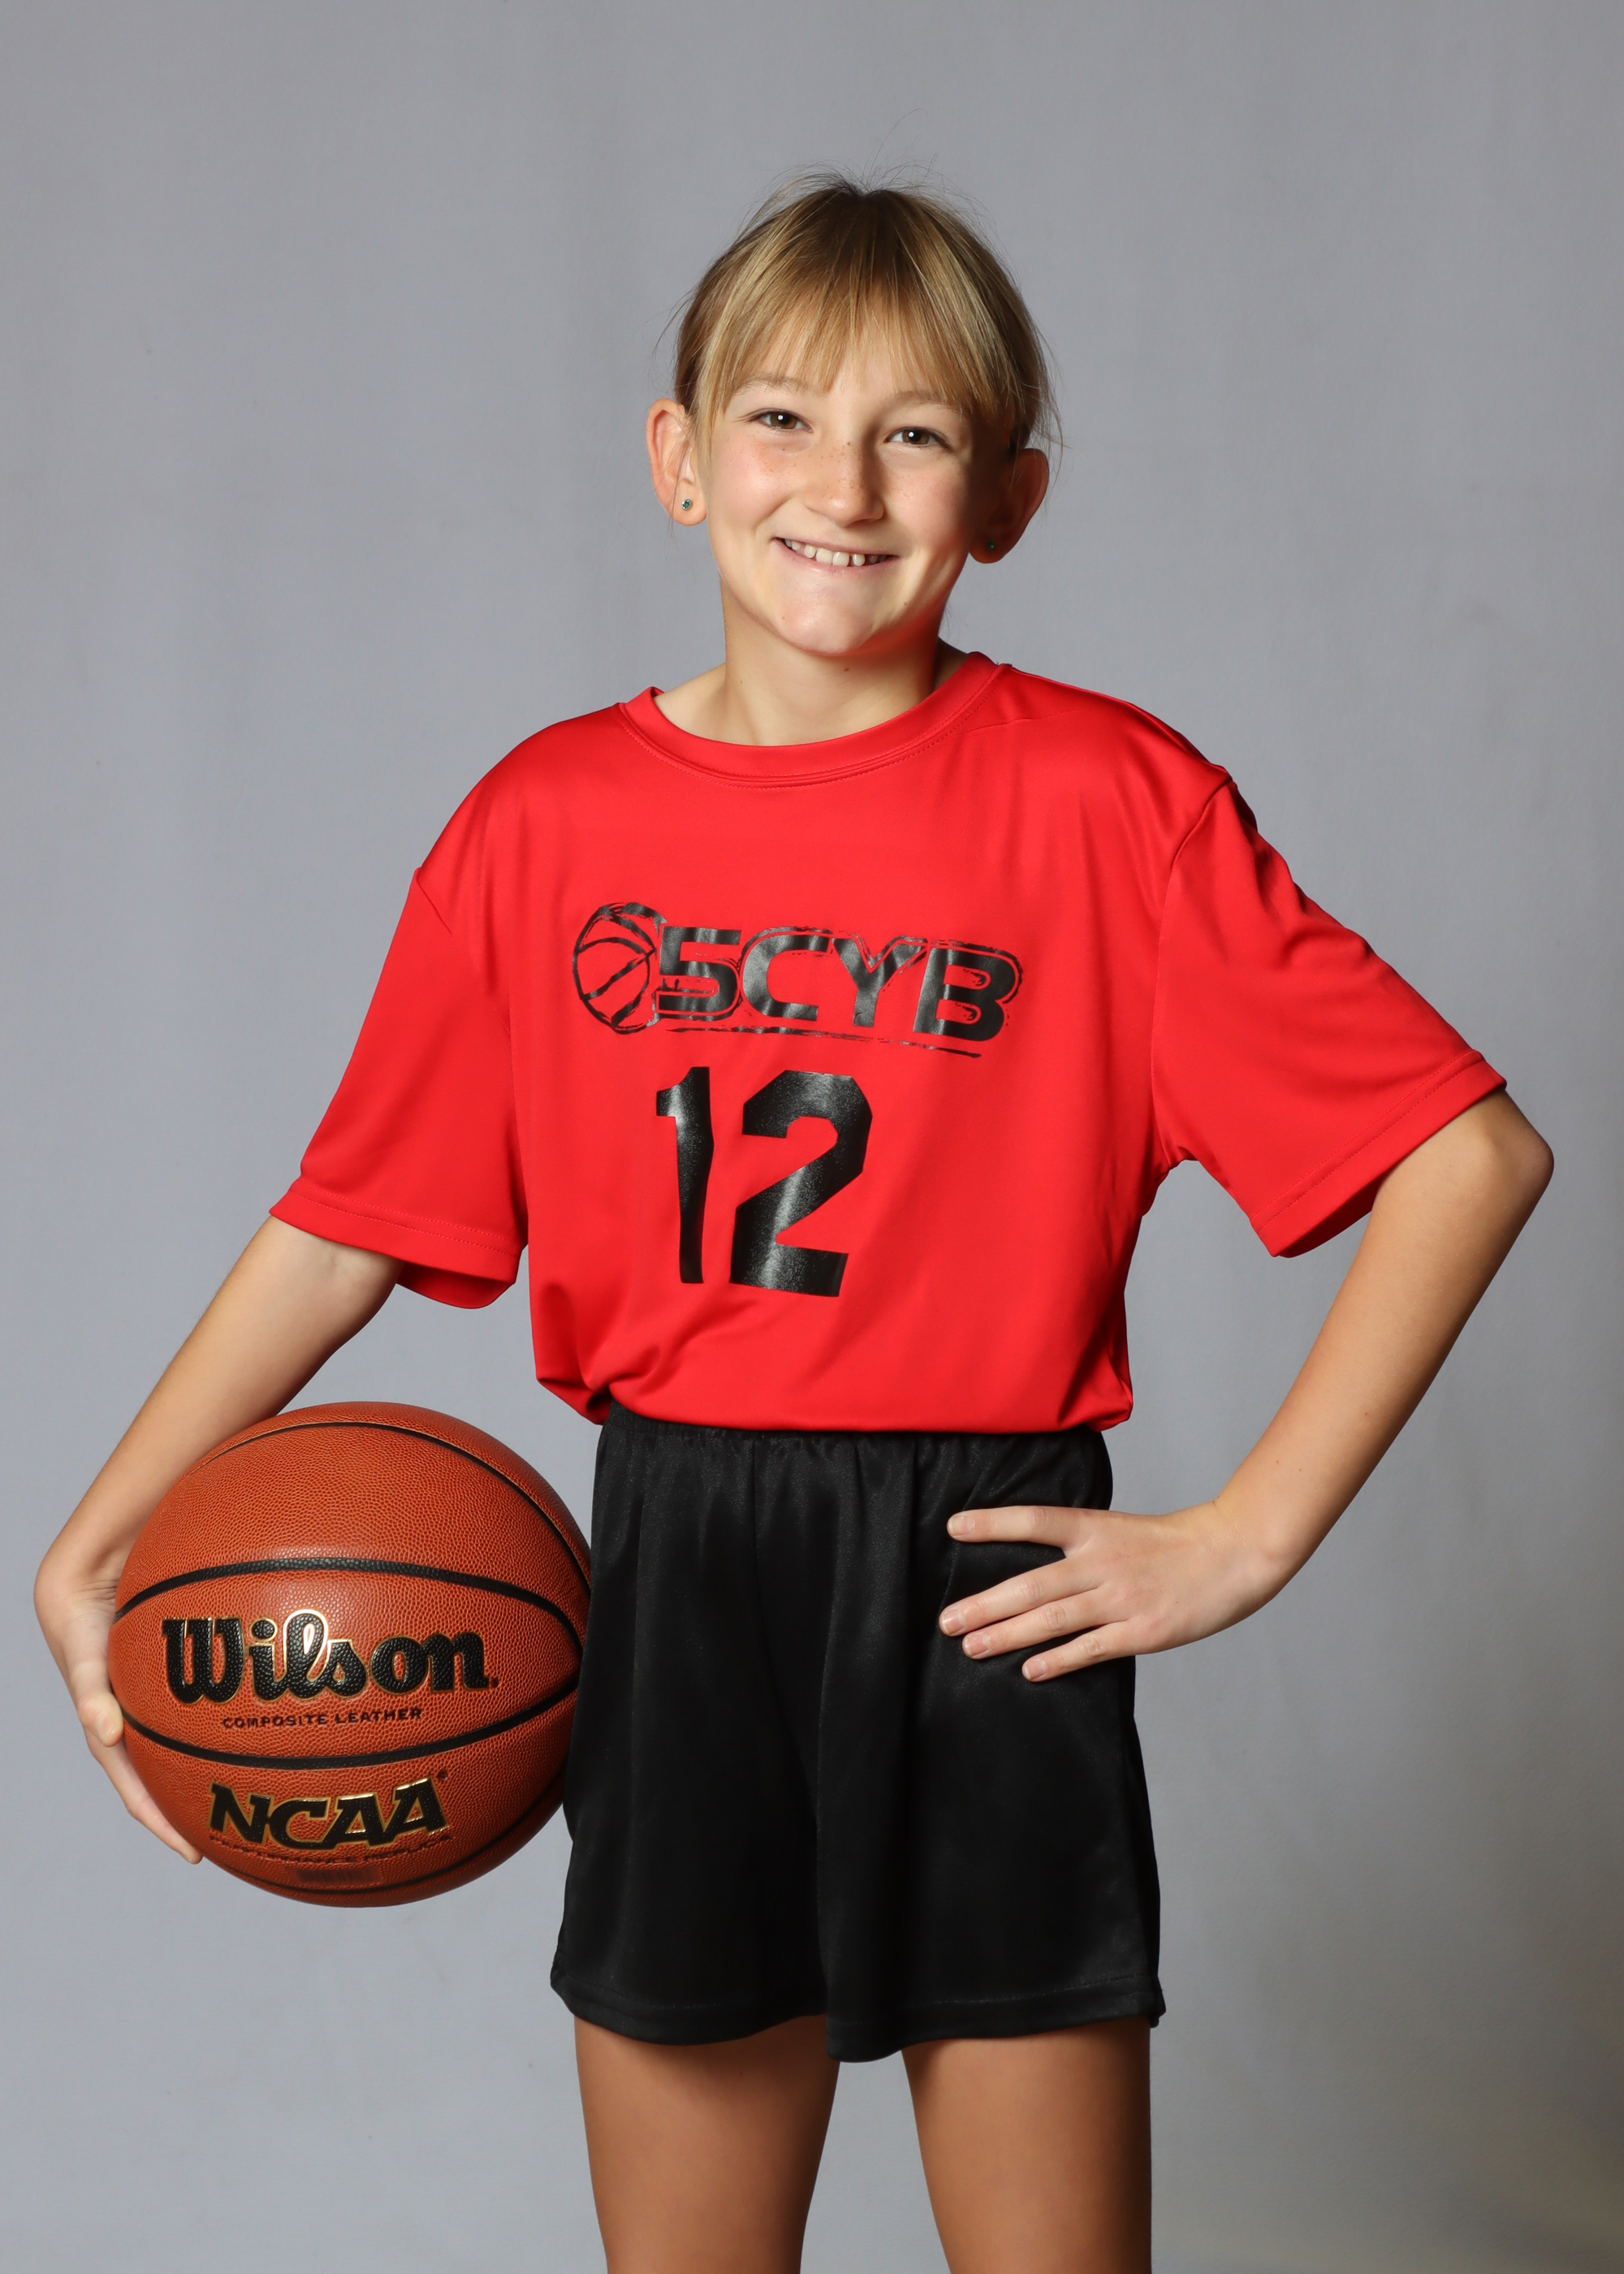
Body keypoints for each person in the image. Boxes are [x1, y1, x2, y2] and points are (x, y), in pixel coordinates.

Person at [36, 176, 1551, 2274]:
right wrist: (107, 1524)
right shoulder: (542, 825)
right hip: (684, 1563)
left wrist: (1251, 1531)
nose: (842, 486)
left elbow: (1470, 1156)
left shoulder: (1107, 806)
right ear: (679, 460)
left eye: (916, 434)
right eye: (782, 420)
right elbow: (349, 1220)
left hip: (989, 1567)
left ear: (1007, 499)